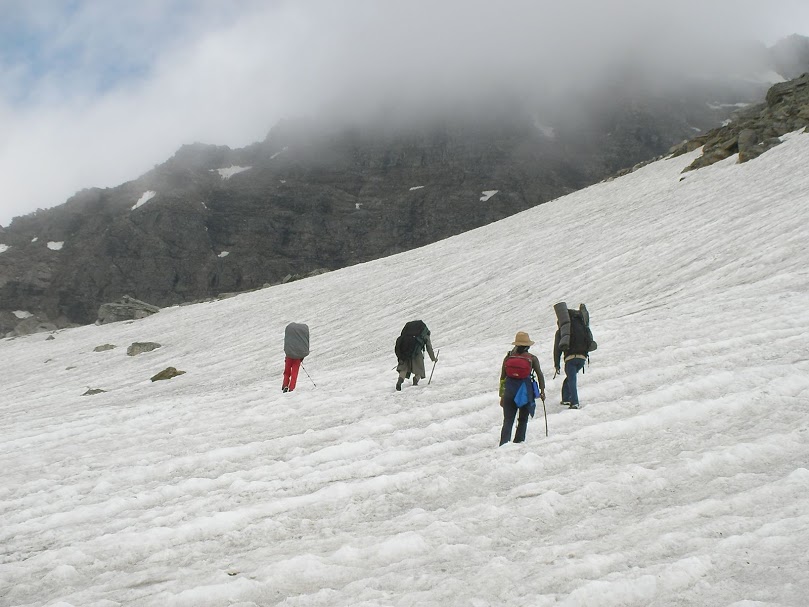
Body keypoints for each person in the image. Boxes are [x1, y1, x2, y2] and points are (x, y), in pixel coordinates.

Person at [499, 331, 545, 445]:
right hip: (525, 391)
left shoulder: (508, 357)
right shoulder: (532, 358)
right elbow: (540, 375)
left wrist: (502, 395)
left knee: (508, 420)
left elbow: (503, 377)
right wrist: (542, 391)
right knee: (523, 419)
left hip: (509, 391)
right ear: (528, 346)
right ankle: (518, 442)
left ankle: (504, 444)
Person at [553, 309, 589, 408]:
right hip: (582, 357)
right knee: (570, 378)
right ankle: (566, 399)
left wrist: (557, 364)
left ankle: (575, 402)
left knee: (572, 379)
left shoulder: (562, 331)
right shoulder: (581, 326)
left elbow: (557, 349)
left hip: (570, 359)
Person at [395, 320, 437, 390]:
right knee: (420, 369)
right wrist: (433, 358)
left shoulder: (408, 331)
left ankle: (400, 381)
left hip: (405, 351)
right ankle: (415, 380)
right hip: (417, 352)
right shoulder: (425, 333)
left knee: (404, 368)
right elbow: (429, 347)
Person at [283, 322, 309, 392]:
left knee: (287, 371)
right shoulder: (301, 341)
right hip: (297, 357)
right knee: (294, 373)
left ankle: (285, 385)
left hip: (289, 355)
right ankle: (291, 388)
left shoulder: (290, 338)